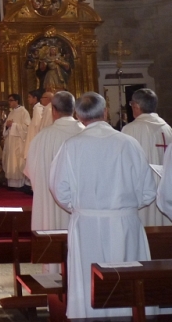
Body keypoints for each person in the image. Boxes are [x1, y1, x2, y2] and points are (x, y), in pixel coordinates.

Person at [49, 92, 156, 320]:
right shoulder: (128, 143)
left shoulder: (71, 146)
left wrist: (79, 208)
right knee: (126, 278)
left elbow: (59, 188)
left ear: (78, 115)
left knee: (89, 280)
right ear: (105, 112)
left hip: (86, 224)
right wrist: (124, 208)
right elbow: (148, 190)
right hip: (125, 224)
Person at [24, 91, 83, 232]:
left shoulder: (42, 137)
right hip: (79, 204)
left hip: (48, 203)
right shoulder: (84, 133)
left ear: (54, 110)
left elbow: (31, 170)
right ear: (74, 109)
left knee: (50, 233)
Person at [122, 88, 172, 226]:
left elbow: (124, 165)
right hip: (167, 191)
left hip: (142, 191)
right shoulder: (167, 129)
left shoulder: (129, 130)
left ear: (136, 106)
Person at [2, 94, 30, 189]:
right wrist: (7, 126)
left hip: (19, 141)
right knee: (11, 161)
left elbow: (27, 127)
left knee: (18, 161)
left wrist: (13, 125)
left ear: (17, 101)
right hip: (10, 141)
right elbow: (6, 127)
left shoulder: (24, 112)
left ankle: (20, 184)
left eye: (11, 100)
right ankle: (11, 184)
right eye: (9, 100)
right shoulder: (11, 113)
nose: (9, 102)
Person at [23, 89, 44, 160]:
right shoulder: (36, 108)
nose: (27, 99)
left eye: (29, 97)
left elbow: (37, 126)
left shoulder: (37, 109)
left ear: (35, 98)